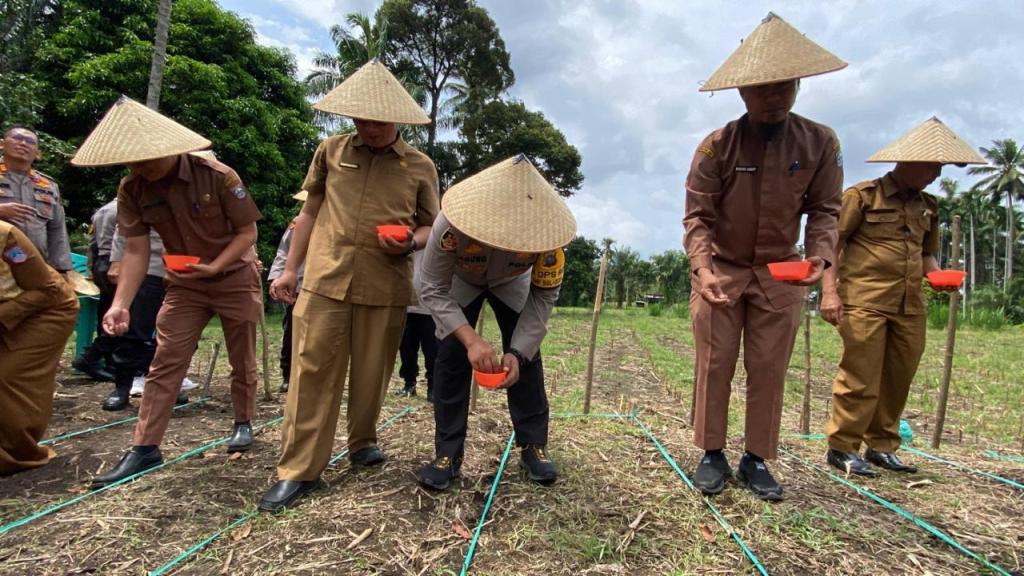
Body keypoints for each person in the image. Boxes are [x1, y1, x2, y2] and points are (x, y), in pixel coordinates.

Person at [259, 60, 439, 513]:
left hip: (386, 281)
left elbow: (431, 229)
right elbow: (309, 212)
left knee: (372, 372)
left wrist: (407, 240)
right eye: (360, 118)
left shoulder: (419, 166)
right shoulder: (330, 151)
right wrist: (289, 271)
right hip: (324, 278)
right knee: (310, 371)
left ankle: (362, 441)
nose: (369, 127)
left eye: (377, 120)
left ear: (397, 118)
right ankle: (298, 470)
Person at [683, 13, 845, 501]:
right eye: (765, 88)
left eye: (785, 86)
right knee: (715, 361)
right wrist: (703, 269)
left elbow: (825, 212)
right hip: (722, 270)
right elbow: (698, 218)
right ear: (743, 92)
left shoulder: (820, 143)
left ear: (798, 85)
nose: (776, 96)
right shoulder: (717, 147)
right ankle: (712, 453)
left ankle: (756, 458)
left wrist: (823, 268)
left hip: (782, 274)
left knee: (770, 365)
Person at [70, 96, 263, 488]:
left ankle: (243, 422)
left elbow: (248, 232)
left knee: (241, 357)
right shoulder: (133, 189)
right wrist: (121, 303)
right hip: (185, 285)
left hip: (233, 278)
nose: (140, 167)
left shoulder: (218, 175)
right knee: (165, 360)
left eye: (146, 159)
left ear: (170, 148)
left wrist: (216, 266)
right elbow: (137, 249)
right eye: (131, 161)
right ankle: (145, 447)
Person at [821, 117, 986, 476]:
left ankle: (881, 445)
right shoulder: (862, 198)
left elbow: (927, 254)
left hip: (910, 304)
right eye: (932, 167)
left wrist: (939, 277)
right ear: (908, 162)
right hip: (865, 300)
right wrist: (829, 292)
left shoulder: (928, 205)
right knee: (860, 375)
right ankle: (842, 447)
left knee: (899, 376)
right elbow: (833, 244)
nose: (936, 175)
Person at [416, 154, 575, 491]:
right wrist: (470, 339)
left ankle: (534, 445)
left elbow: (543, 298)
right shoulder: (450, 226)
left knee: (528, 360)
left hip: (511, 281)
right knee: (450, 356)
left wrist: (517, 351)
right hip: (462, 279)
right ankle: (447, 454)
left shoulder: (550, 243)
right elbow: (431, 286)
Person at [0, 220, 78, 475]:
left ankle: (18, 454)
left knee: (7, 377)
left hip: (48, 310)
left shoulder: (6, 237)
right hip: (8, 312)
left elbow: (47, 290)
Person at [0, 126, 72, 274]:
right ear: (2, 144)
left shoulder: (48, 185)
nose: (23, 143)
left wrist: (62, 270)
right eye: (17, 138)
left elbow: (57, 230)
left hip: (35, 267)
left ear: (38, 153)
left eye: (30, 141)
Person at [267, 190, 308, 394]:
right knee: (291, 331)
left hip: (324, 288)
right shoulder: (297, 223)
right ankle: (288, 375)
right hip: (297, 287)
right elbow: (283, 252)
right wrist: (276, 278)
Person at [395, 248, 438, 400]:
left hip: (430, 309)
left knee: (432, 351)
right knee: (406, 349)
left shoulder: (436, 243)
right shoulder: (407, 246)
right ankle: (409, 384)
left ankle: (433, 387)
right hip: (407, 307)